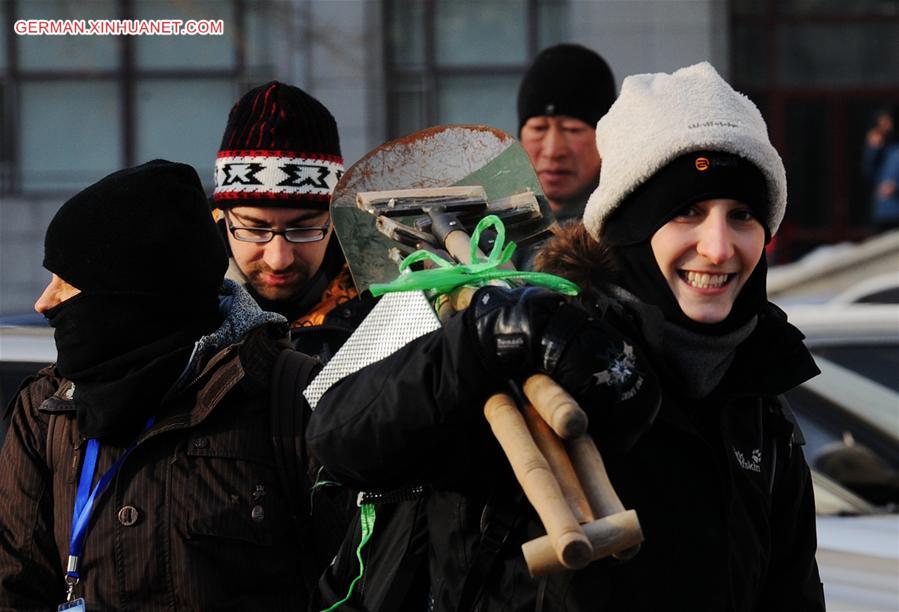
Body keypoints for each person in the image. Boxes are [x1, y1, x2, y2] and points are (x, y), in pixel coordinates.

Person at [306, 63, 824, 610]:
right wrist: (475, 344)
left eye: (742, 215)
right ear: (629, 228)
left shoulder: (760, 410)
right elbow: (340, 441)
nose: (719, 248)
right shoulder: (528, 357)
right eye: (687, 212)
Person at [0, 161, 322, 609]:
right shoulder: (46, 409)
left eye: (67, 284)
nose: (43, 302)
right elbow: (14, 587)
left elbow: (351, 579)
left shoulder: (292, 395)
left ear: (135, 299)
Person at [212, 81, 374, 361]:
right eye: (254, 228)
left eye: (304, 229)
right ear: (223, 216)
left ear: (334, 220)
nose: (279, 260)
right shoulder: (175, 306)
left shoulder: (390, 308)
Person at [517, 43, 616, 223]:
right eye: (539, 128)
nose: (553, 151)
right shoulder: (487, 229)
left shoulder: (626, 231)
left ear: (606, 137)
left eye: (572, 130)